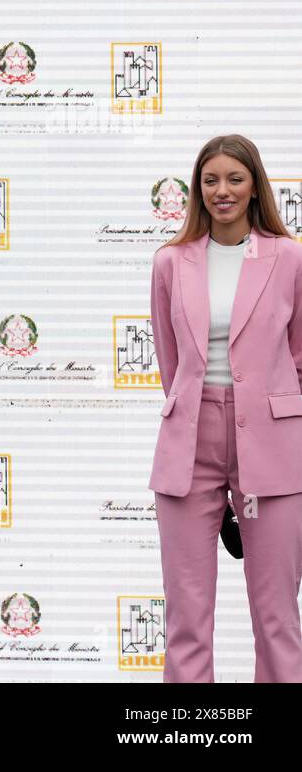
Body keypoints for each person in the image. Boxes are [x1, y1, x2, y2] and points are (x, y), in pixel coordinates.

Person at [149, 134, 302, 682]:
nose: (222, 191)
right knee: (186, 615)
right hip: (190, 443)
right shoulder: (170, 262)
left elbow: (299, 356)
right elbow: (172, 364)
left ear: (255, 186)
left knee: (277, 614)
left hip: (273, 443)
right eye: (210, 180)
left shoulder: (289, 258)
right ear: (198, 190)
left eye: (234, 179)